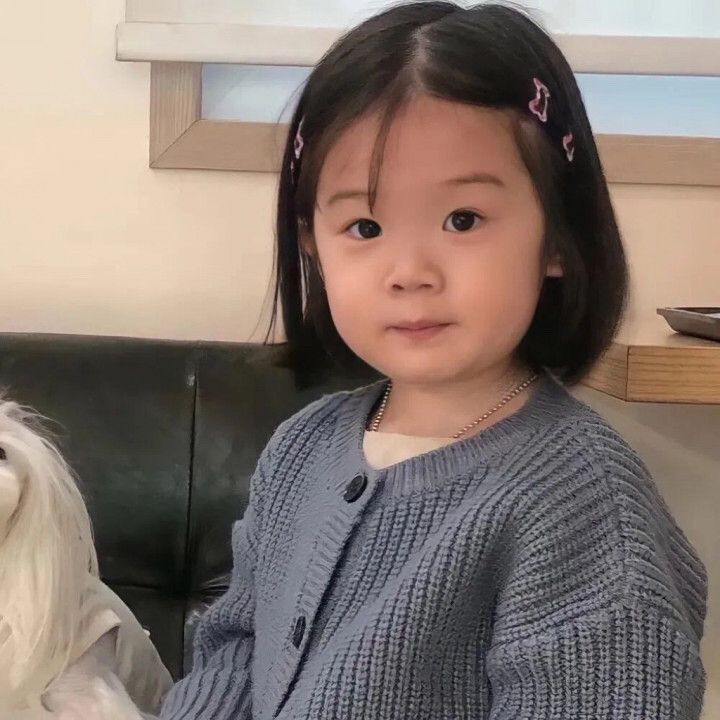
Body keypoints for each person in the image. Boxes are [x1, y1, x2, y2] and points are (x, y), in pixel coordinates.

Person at [160, 3, 708, 718]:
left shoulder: (583, 503)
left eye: (463, 220)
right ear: (312, 245)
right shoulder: (301, 449)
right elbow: (236, 648)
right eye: (365, 226)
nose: (410, 271)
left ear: (556, 236)